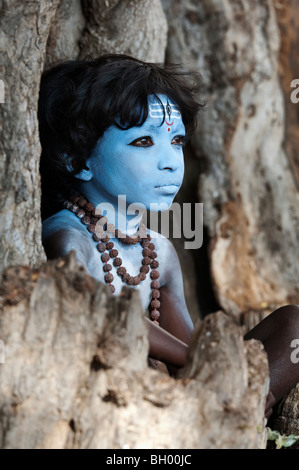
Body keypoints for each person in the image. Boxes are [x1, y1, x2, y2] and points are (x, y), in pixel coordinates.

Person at [39, 53, 299, 419]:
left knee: (294, 325)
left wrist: (221, 374)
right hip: (112, 400)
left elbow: (187, 350)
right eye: (144, 142)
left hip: (178, 391)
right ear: (75, 158)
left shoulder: (157, 250)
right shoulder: (68, 237)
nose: (171, 161)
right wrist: (212, 369)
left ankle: (236, 413)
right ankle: (231, 414)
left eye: (176, 141)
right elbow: (104, 316)